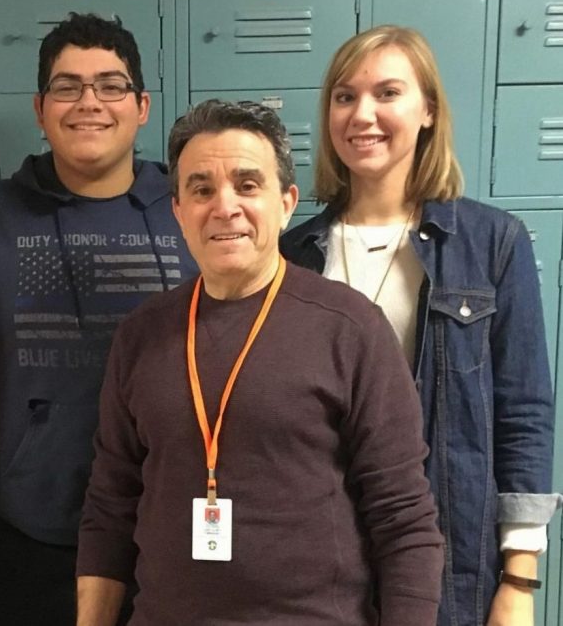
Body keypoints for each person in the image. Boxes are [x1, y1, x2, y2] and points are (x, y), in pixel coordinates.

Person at [76, 99, 444, 625]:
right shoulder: (142, 335)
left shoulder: (350, 328)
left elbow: (403, 518)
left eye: (247, 185)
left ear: (286, 202)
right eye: (201, 189)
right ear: (178, 210)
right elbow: (109, 507)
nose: (224, 206)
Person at [281, 25, 561, 626]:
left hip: (451, 559)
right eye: (345, 96)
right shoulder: (293, 256)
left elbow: (523, 414)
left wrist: (520, 579)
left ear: (428, 109)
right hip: (318, 562)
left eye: (388, 93)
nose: (364, 115)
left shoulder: (492, 244)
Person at [0, 12, 197, 626]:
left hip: (162, 537)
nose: (89, 102)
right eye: (67, 86)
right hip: (12, 541)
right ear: (39, 107)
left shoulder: (194, 211)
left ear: (141, 106)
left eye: (110, 85)